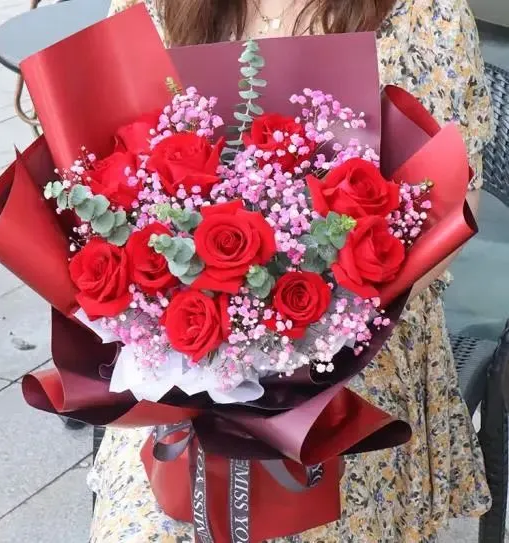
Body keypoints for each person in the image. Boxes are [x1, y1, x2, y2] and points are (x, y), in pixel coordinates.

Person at [89, 0, 493, 541]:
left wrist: (320, 329)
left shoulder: (427, 12)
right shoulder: (152, 6)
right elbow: (113, 172)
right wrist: (203, 328)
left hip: (362, 340)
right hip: (183, 350)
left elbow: (452, 201)